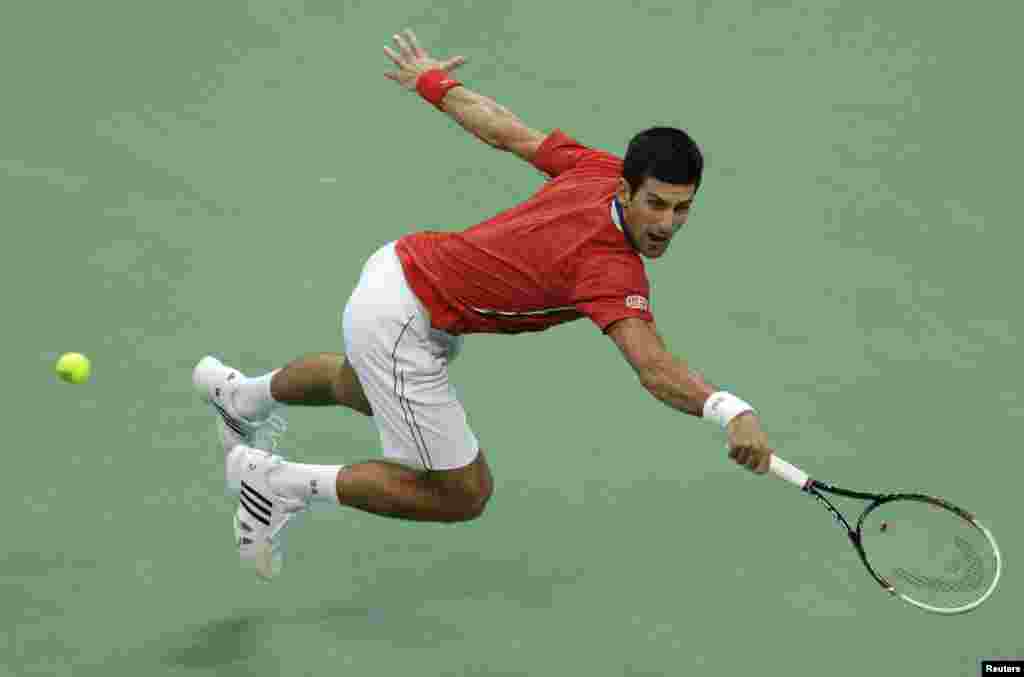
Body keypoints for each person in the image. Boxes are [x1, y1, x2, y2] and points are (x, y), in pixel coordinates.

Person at [193, 29, 775, 581]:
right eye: (657, 205)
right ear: (627, 190)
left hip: (399, 268)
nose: (667, 224)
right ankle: (276, 483)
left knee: (360, 388)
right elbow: (653, 368)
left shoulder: (598, 168)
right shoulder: (609, 268)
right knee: (462, 491)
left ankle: (239, 396)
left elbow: (508, 132)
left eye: (682, 209)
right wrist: (727, 409)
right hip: (404, 318)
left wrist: (434, 85)